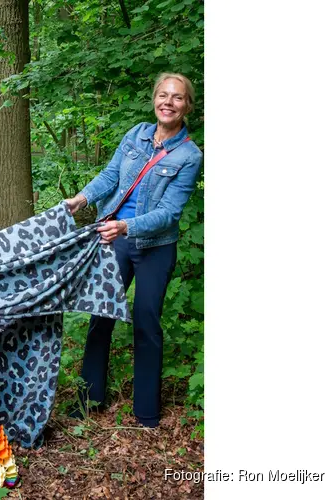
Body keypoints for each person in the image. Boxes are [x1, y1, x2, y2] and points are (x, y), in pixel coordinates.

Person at [64, 73, 203, 428]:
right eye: (162, 95)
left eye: (177, 97)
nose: (168, 102)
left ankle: (146, 414)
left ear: (188, 105)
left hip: (155, 246)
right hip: (115, 240)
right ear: (154, 99)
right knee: (101, 317)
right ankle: (87, 400)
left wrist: (127, 226)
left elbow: (169, 213)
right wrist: (80, 200)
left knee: (146, 321)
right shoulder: (136, 134)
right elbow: (110, 176)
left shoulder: (189, 155)